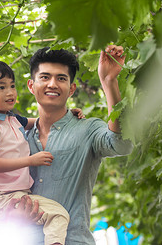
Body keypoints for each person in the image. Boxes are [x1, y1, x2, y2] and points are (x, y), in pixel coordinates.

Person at [26, 45, 133, 244]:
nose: (52, 84)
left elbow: (123, 144)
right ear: (31, 86)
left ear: (71, 89)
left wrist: (109, 82)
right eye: (44, 77)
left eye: (61, 78)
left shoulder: (88, 129)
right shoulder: (17, 137)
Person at [0, 60, 84, 245]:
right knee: (58, 215)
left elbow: (41, 121)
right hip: (3, 197)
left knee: (49, 219)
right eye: (1, 87)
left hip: (18, 194)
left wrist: (69, 115)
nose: (10, 92)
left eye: (12, 86)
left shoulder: (12, 118)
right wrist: (30, 160)